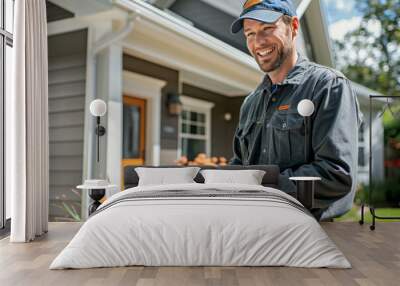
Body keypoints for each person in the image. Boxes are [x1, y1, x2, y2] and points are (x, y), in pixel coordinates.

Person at [229, 0, 361, 220]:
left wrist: (259, 185)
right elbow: (239, 163)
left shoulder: (327, 86)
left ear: (294, 27)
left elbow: (336, 175)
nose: (258, 42)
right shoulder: (250, 103)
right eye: (249, 33)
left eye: (267, 29)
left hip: (308, 234)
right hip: (253, 228)